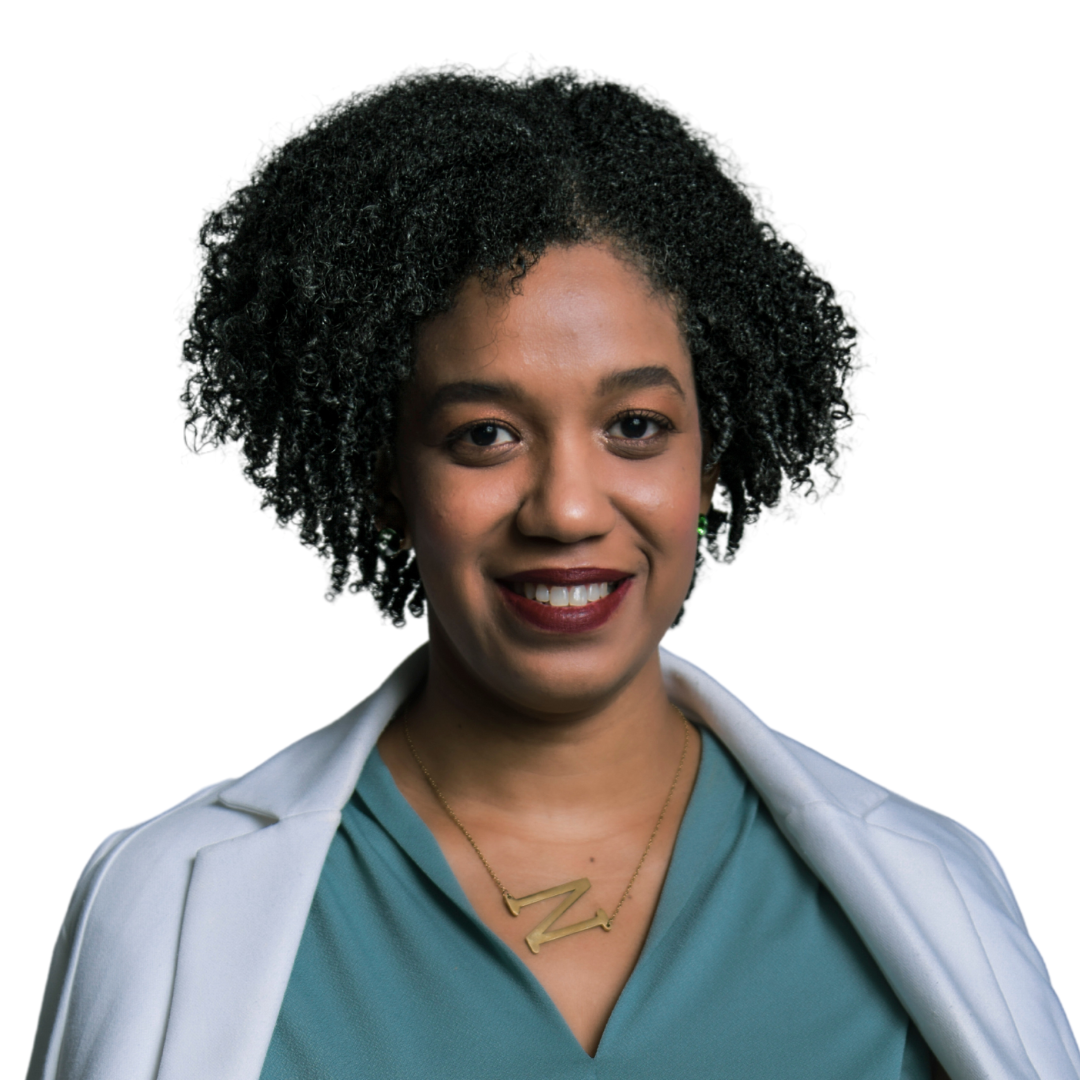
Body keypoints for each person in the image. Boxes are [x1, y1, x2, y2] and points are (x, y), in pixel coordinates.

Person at [27, 70, 1078, 1080]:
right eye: (485, 434)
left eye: (636, 426)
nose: (568, 509)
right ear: (387, 475)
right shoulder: (165, 901)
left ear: (710, 459)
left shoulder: (936, 889)